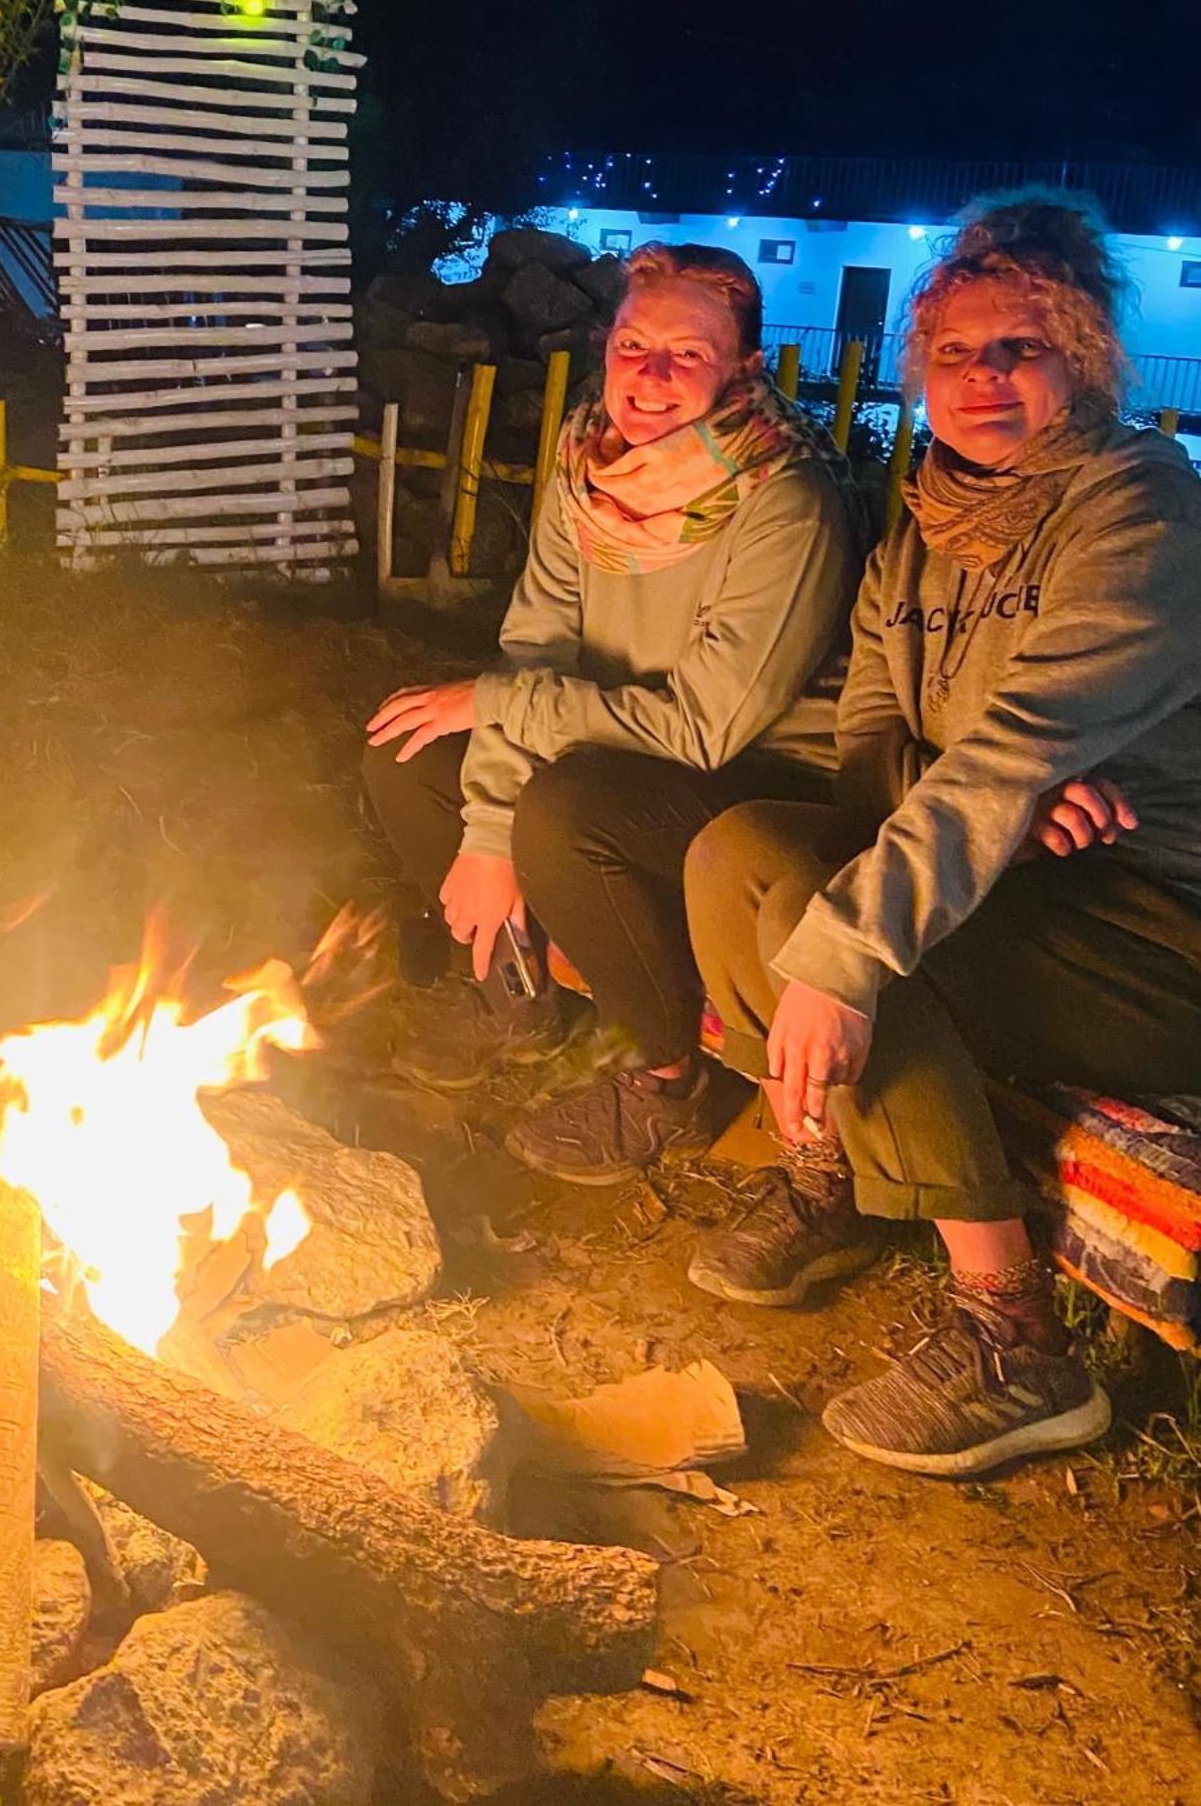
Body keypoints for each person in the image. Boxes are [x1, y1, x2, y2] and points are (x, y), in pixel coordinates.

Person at [684, 192, 1201, 1477]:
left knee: (843, 926)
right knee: (739, 842)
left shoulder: (1137, 513)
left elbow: (1024, 738)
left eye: (1020, 347)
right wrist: (998, 809)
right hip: (1016, 877)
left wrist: (991, 798)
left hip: (1150, 925)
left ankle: (1017, 1342)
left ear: (1082, 355)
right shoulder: (921, 522)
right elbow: (871, 741)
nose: (984, 379)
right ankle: (834, 1180)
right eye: (958, 353)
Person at [365, 240, 870, 1180]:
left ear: (744, 368)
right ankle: (512, 989)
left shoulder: (784, 501)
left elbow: (701, 729)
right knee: (410, 748)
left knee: (566, 811)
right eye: (635, 345)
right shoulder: (590, 467)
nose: (650, 375)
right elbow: (538, 647)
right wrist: (483, 828)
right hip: (608, 732)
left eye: (688, 354)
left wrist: (498, 716)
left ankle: (666, 1077)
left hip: (759, 775)